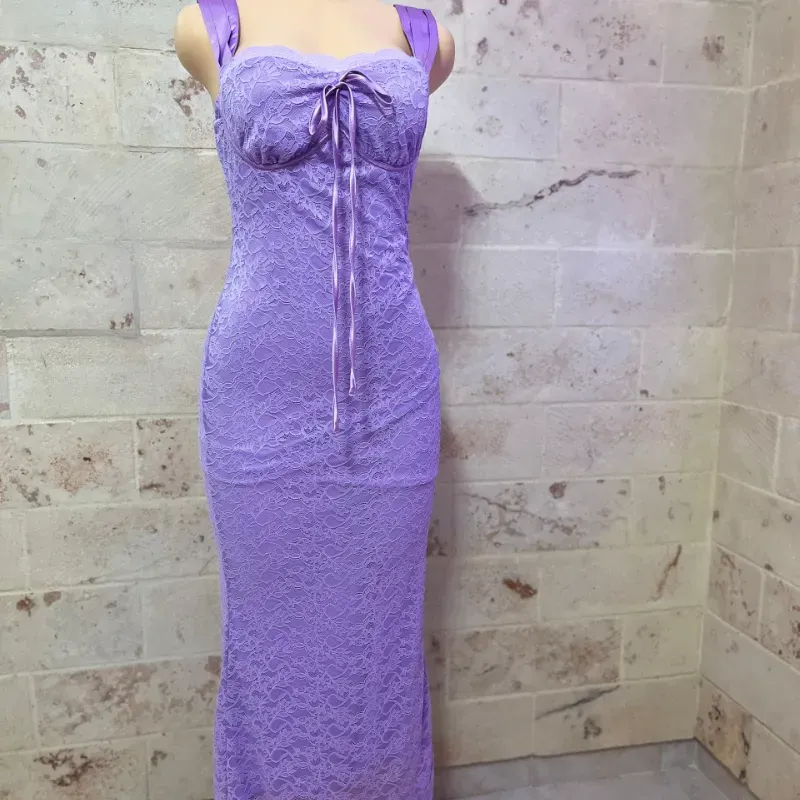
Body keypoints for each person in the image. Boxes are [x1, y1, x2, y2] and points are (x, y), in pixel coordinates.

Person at [175, 0, 454, 797]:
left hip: (393, 390)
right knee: (268, 635)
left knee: (381, 633)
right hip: (261, 385)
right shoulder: (209, 22)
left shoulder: (427, 37)